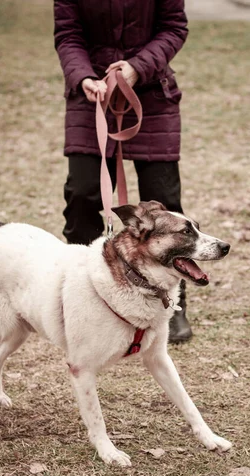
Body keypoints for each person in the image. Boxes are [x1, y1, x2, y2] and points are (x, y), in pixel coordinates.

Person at [54, 0, 192, 343]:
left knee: (163, 200)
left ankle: (171, 305)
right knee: (83, 194)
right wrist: (83, 75)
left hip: (152, 95)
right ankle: (82, 292)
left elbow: (174, 27)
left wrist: (136, 67)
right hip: (92, 98)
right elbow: (68, 34)